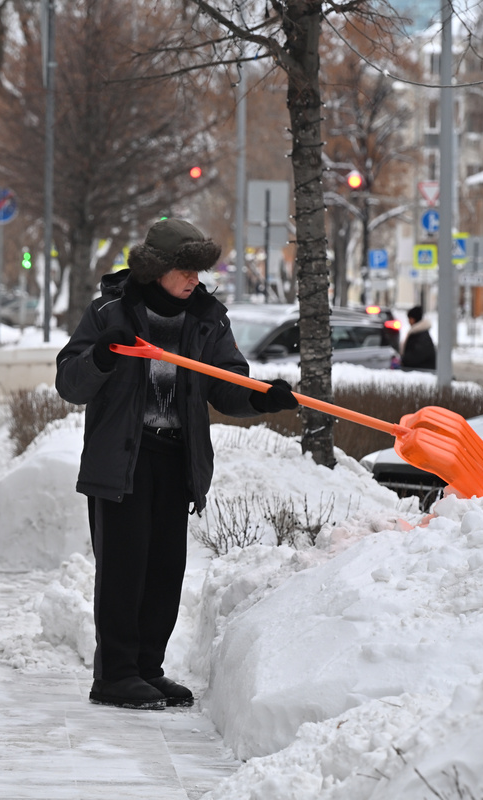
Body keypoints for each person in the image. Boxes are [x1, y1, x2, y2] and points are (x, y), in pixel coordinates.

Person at [55, 218, 299, 711]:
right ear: (158, 268)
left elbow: (227, 384)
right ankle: (115, 675)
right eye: (185, 270)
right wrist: (101, 356)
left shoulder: (207, 318)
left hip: (176, 458)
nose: (195, 280)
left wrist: (262, 399)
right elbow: (70, 383)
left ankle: (146, 669)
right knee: (124, 570)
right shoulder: (110, 312)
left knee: (165, 570)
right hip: (123, 458)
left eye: (199, 270)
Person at [400, 305, 436, 370]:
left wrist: (403, 360)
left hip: (423, 372)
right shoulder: (418, 333)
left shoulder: (421, 336)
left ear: (414, 319)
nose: (408, 321)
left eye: (409, 318)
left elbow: (416, 356)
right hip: (421, 370)